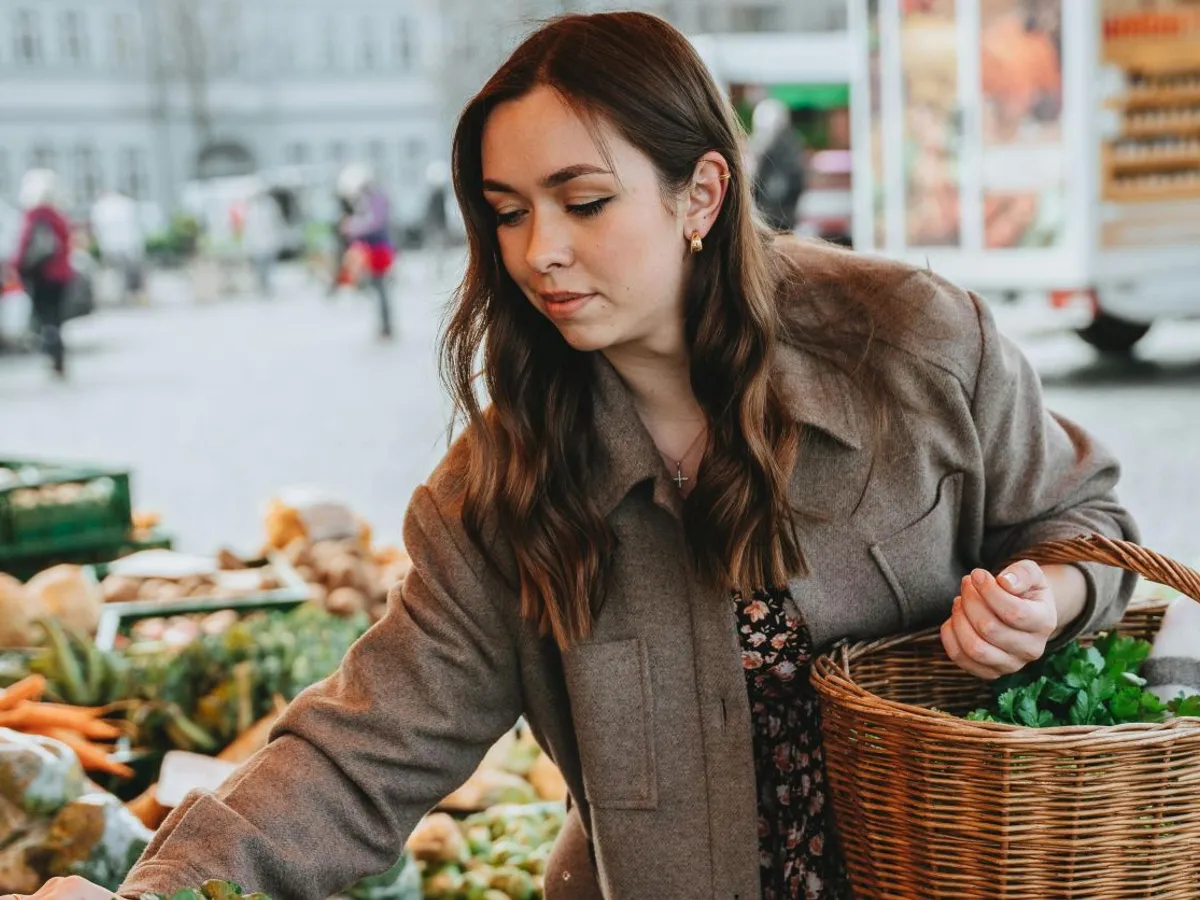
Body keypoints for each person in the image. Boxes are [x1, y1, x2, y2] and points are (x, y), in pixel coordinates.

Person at [7, 12, 1138, 900]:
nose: (538, 252)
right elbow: (359, 750)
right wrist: (152, 894)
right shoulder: (502, 494)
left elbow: (1088, 523)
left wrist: (1054, 593)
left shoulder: (917, 345)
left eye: (582, 202)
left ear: (700, 192)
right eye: (505, 212)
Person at [9, 169, 73, 377]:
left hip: (41, 274)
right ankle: (57, 348)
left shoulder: (33, 215)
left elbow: (24, 244)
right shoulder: (58, 215)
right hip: (61, 275)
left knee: (44, 314)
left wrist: (16, 267)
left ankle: (51, 345)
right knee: (56, 314)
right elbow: (66, 243)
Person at [337, 163, 396, 339]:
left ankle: (386, 326)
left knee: (380, 288)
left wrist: (352, 227)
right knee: (377, 288)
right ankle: (383, 324)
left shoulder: (375, 197)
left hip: (378, 249)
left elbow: (374, 223)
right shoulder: (370, 196)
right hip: (372, 249)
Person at [749, 97, 807, 233]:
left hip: (781, 215)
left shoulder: (789, 146)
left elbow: (794, 180)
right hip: (767, 214)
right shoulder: (763, 146)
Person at [90, 189, 146, 306]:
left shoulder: (101, 207)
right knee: (128, 272)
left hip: (111, 246)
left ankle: (120, 296)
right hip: (128, 245)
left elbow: (97, 229)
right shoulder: (126, 204)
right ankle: (130, 295)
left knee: (116, 273)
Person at [239, 182, 285, 298]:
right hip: (258, 243)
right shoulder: (252, 208)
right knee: (260, 267)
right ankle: (262, 286)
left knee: (268, 266)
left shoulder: (269, 206)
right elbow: (248, 228)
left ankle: (266, 286)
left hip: (268, 242)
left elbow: (276, 222)